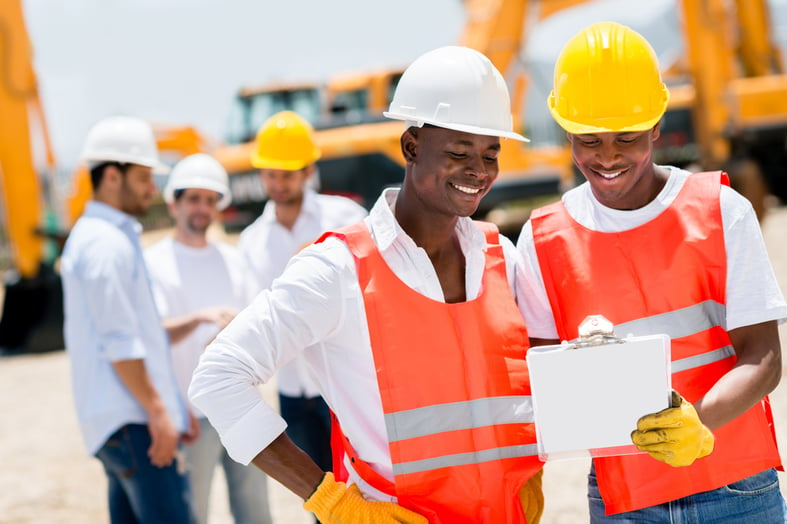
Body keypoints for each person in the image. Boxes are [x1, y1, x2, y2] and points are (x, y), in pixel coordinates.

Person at [190, 45, 545, 524]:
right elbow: (218, 376)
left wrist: (532, 471)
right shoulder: (338, 270)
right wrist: (330, 502)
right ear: (412, 146)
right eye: (459, 152)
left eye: (490, 154)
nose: (478, 171)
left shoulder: (503, 256)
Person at [516, 22, 787, 522]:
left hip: (737, 488)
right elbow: (541, 380)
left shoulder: (719, 211)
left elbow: (765, 356)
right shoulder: (542, 238)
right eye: (589, 139)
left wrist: (697, 424)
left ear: (657, 126)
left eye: (627, 137)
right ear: (566, 132)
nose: (608, 156)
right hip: (625, 499)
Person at [61, 115, 197, 523]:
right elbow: (119, 340)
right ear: (112, 177)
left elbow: (143, 335)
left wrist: (173, 407)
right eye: (143, 177)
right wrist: (159, 413)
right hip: (134, 422)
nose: (152, 189)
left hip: (124, 421)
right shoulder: (105, 244)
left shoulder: (103, 237)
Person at [144, 153, 273, 524]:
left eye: (210, 200)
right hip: (191, 416)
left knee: (256, 513)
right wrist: (200, 319)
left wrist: (232, 335)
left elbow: (261, 327)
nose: (202, 208)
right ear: (174, 203)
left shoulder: (235, 261)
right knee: (192, 514)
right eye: (194, 199)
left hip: (242, 409)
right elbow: (153, 337)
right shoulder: (154, 264)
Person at [237, 110, 368, 477]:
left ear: (309, 171)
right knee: (319, 498)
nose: (278, 184)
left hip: (347, 386)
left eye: (287, 175)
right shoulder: (252, 241)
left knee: (367, 491)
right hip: (294, 395)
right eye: (271, 175)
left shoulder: (345, 217)